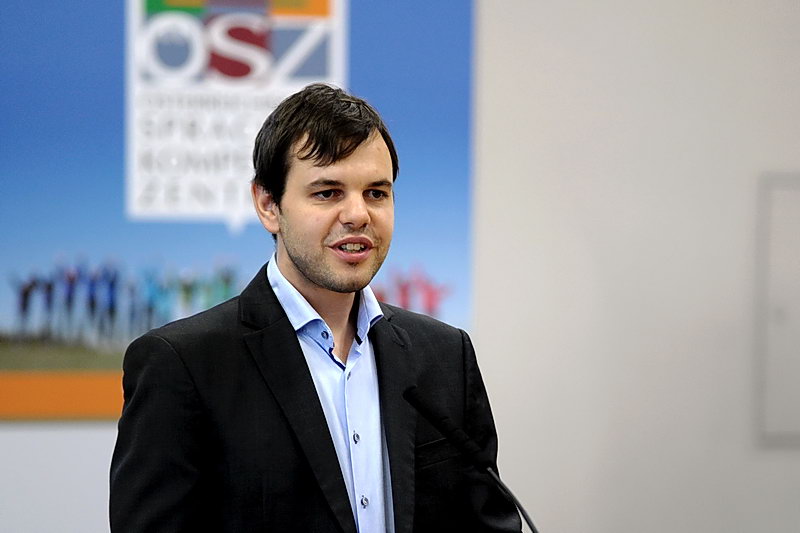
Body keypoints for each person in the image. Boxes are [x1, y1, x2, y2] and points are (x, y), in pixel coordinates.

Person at [110, 84, 521, 532]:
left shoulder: (444, 356)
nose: (358, 214)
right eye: (328, 193)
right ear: (268, 205)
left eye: (376, 193)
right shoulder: (183, 364)